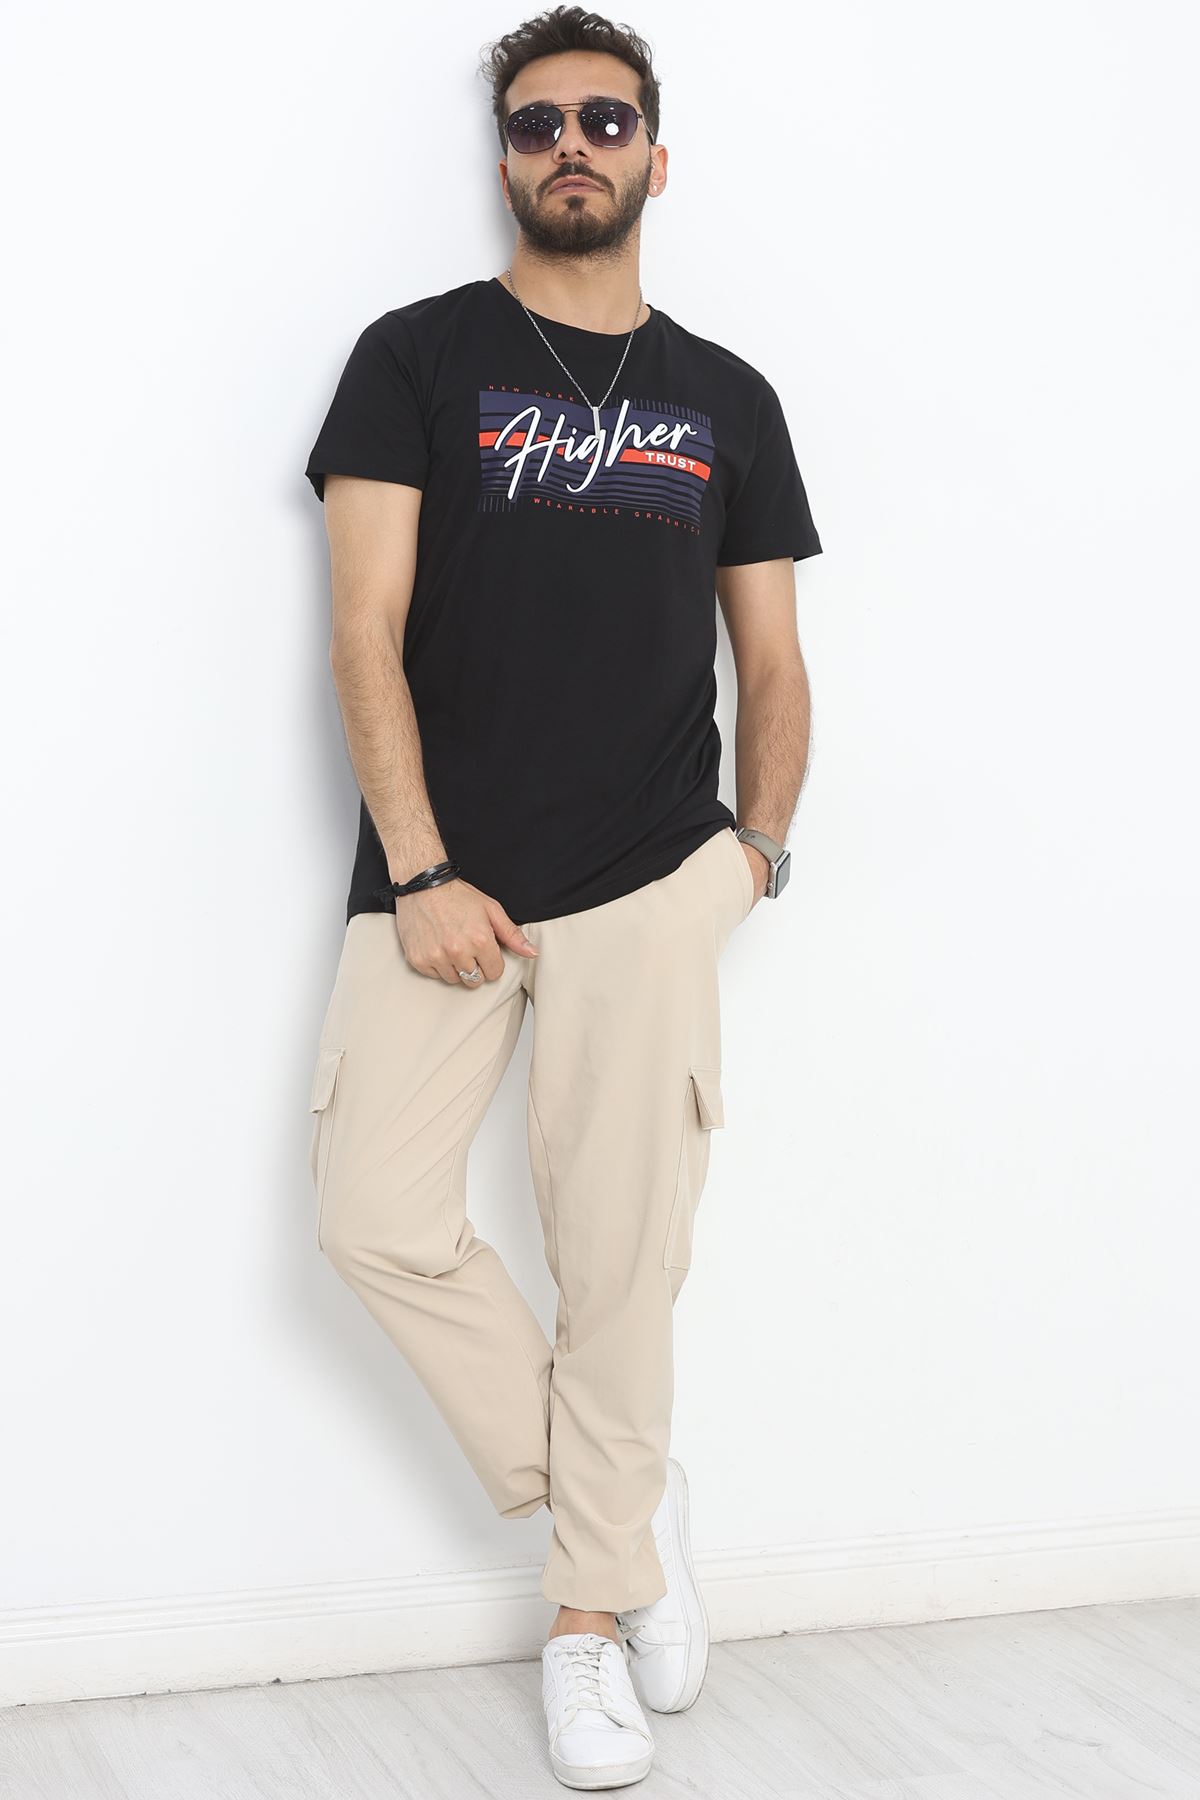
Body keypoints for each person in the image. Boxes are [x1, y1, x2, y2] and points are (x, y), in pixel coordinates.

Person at [303, 5, 822, 1787]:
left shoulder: (729, 398)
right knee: (372, 1216)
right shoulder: (415, 359)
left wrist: (752, 859)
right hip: (438, 881)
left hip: (652, 878)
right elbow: (362, 628)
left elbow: (775, 660)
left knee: (620, 1264)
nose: (572, 146)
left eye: (606, 120)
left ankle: (586, 1622)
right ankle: (624, 1507)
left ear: (655, 158)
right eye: (538, 125)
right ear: (506, 160)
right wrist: (422, 864)